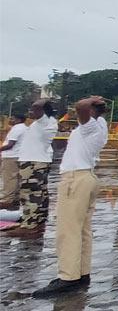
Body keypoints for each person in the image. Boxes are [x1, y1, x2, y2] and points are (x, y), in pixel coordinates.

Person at [32, 97, 108, 295]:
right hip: (85, 176)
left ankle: (68, 276)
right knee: (83, 229)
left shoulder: (91, 126)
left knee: (68, 229)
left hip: (76, 178)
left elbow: (80, 106)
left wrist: (91, 99)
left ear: (91, 112)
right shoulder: (99, 126)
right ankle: (82, 273)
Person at [10, 99, 59, 237]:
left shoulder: (46, 121)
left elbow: (37, 105)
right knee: (40, 194)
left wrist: (42, 101)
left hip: (33, 162)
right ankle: (38, 222)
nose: (30, 113)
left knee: (30, 194)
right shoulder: (45, 122)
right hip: (38, 160)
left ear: (42, 112)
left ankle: (30, 225)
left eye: (33, 110)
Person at [0, 113, 28, 210]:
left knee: (9, 179)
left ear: (19, 120)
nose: (10, 120)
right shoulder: (24, 128)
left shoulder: (17, 128)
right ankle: (15, 200)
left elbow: (10, 144)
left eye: (12, 118)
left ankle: (6, 201)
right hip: (18, 156)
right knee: (16, 178)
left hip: (10, 157)